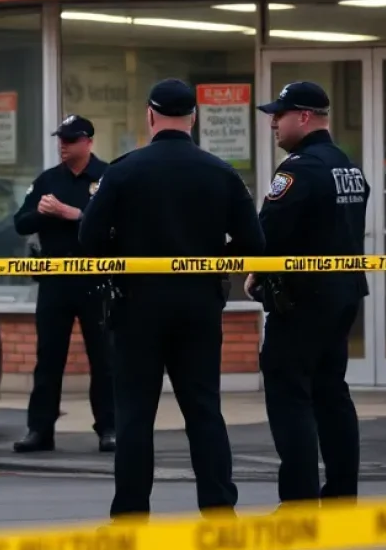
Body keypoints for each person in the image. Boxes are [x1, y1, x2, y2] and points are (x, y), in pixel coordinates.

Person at [78, 79, 264, 519]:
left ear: (149, 115)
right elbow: (255, 242)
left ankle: (129, 524)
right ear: (194, 118)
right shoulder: (220, 171)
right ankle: (221, 523)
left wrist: (121, 255)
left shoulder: (123, 171)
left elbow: (88, 237)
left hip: (136, 307)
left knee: (135, 418)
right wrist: (216, 260)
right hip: (199, 307)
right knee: (204, 414)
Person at [248, 81, 369, 505]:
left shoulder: (299, 169)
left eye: (278, 116)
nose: (273, 124)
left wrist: (255, 272)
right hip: (343, 294)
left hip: (302, 300)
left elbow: (267, 233)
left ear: (303, 117)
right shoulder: (345, 165)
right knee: (331, 393)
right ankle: (341, 498)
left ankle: (298, 505)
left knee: (290, 396)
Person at [12, 115, 115, 453]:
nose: (63, 145)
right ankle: (39, 430)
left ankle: (109, 428)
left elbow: (120, 224)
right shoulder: (47, 180)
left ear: (87, 141)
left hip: (95, 281)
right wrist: (45, 212)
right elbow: (21, 223)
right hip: (55, 281)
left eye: (70, 140)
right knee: (49, 358)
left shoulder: (107, 177)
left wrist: (76, 214)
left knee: (103, 358)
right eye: (60, 139)